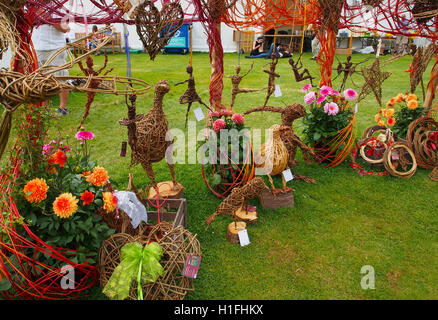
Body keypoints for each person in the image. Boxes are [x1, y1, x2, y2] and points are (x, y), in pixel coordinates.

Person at [32, 19, 70, 115]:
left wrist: (47, 18)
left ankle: (63, 108)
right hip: (38, 47)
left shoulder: (58, 8)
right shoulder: (33, 7)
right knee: (41, 80)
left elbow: (65, 28)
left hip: (56, 48)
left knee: (61, 77)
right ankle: (45, 108)